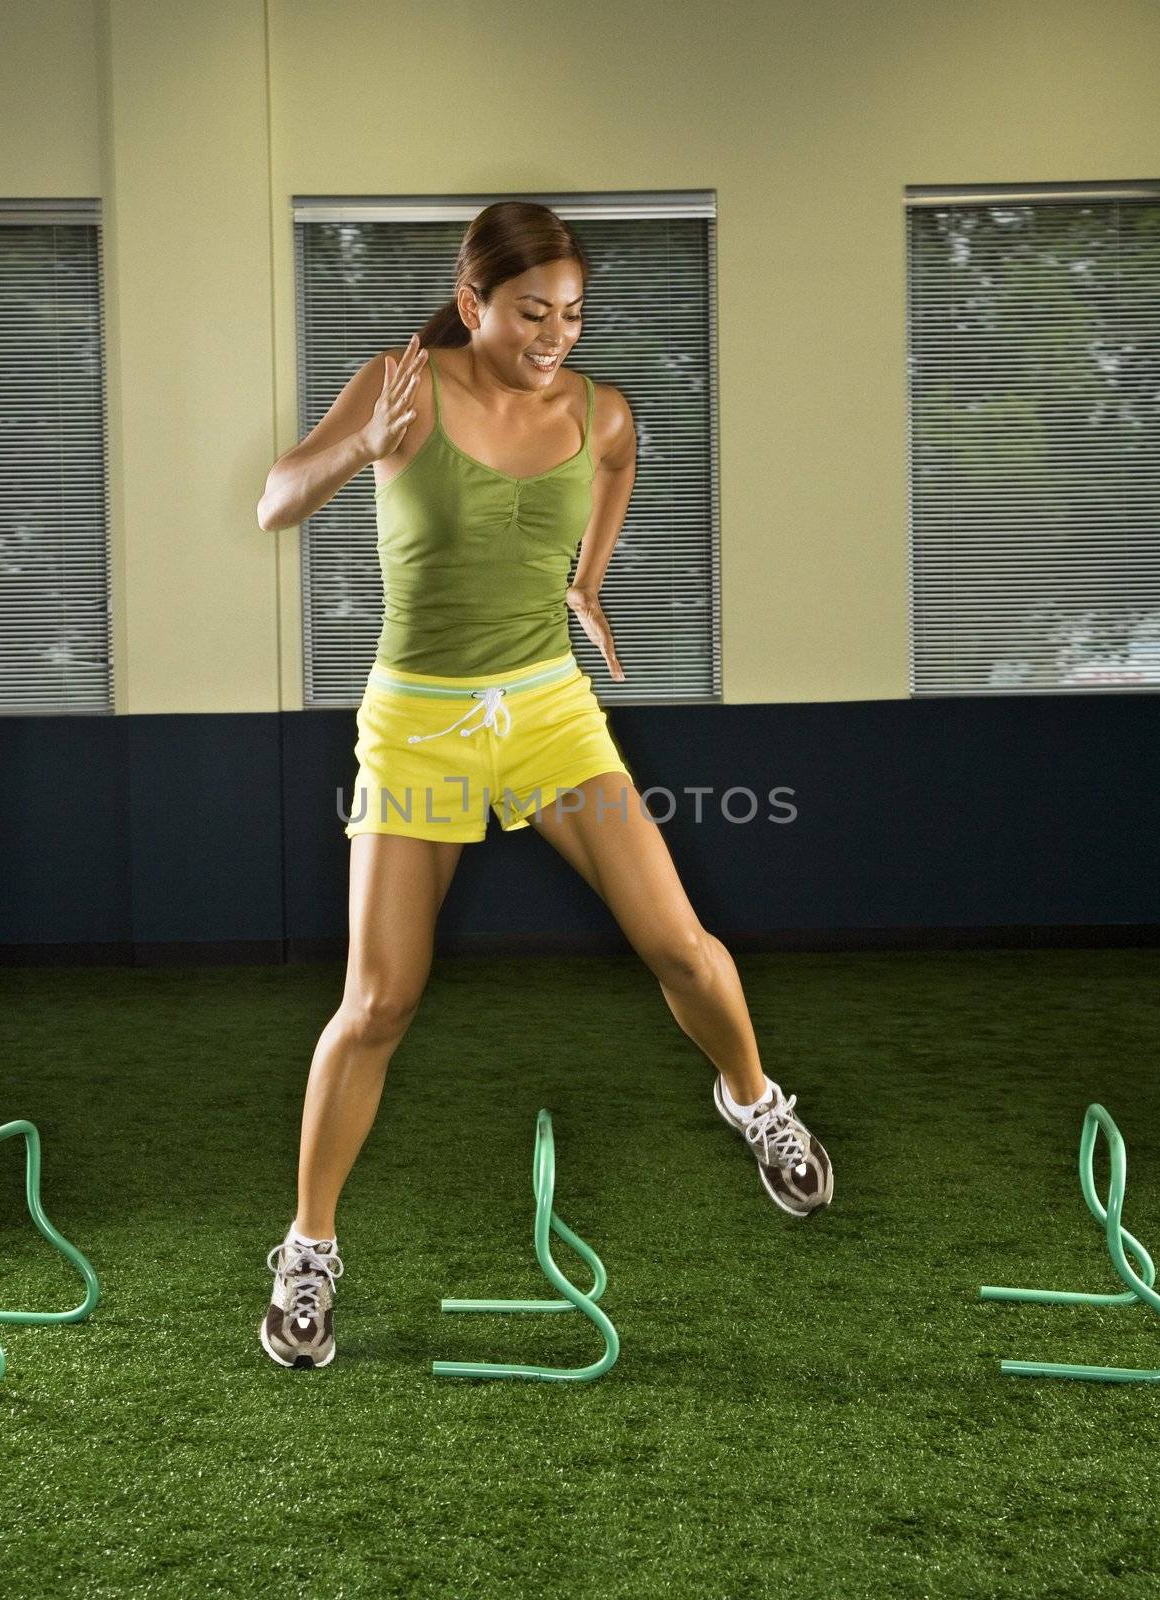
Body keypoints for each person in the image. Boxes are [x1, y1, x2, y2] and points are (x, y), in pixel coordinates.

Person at [255, 201, 833, 1370]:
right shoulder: (401, 381)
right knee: (378, 1003)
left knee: (679, 944)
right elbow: (273, 499)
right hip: (418, 725)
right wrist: (355, 450)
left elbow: (615, 461)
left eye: (570, 314)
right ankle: (308, 1249)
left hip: (549, 713)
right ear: (473, 303)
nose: (553, 335)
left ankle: (753, 1097)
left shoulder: (599, 409)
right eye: (531, 312)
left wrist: (587, 580)